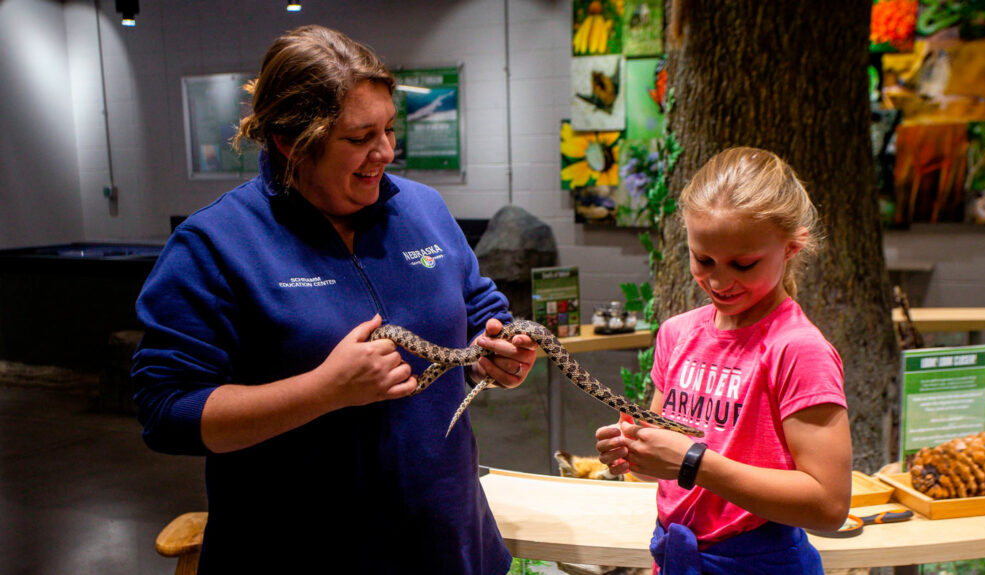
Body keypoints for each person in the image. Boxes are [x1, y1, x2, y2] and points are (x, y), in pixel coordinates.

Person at [132, 25, 537, 574]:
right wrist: (323, 390)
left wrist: (497, 349)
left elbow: (479, 307)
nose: (385, 152)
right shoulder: (216, 244)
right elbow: (166, 411)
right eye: (358, 138)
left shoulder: (423, 210)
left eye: (390, 129)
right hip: (299, 551)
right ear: (289, 141)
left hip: (446, 545)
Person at [595, 147, 852, 574]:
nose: (718, 280)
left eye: (744, 264)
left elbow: (828, 505)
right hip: (677, 557)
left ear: (792, 246)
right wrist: (632, 452)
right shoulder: (677, 334)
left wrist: (694, 463)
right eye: (703, 259)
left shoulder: (796, 349)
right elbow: (660, 468)